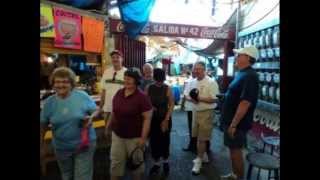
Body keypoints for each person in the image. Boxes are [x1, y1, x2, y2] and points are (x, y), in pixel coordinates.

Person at [40, 67, 100, 180]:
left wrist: (91, 117)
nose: (61, 85)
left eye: (65, 82)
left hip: (84, 144)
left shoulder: (82, 96)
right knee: (66, 175)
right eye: (57, 81)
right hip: (61, 147)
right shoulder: (49, 103)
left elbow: (96, 110)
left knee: (82, 177)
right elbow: (42, 125)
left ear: (71, 83)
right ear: (53, 83)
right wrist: (41, 145)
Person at [105, 68, 153, 180]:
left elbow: (147, 119)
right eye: (125, 78)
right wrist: (108, 126)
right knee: (115, 164)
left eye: (130, 79)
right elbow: (114, 111)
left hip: (135, 138)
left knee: (136, 166)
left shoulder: (142, 97)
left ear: (136, 80)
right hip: (118, 136)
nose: (126, 81)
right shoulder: (119, 93)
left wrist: (143, 138)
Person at [220, 46, 259, 180]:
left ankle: (239, 177)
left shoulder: (250, 76)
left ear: (248, 58)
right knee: (232, 151)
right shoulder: (242, 73)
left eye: (239, 55)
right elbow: (235, 95)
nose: (236, 57)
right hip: (230, 120)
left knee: (236, 153)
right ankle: (234, 175)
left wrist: (233, 124)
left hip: (237, 124)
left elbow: (245, 103)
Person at [188, 61, 220, 175]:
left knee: (202, 139)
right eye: (195, 68)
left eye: (199, 69)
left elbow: (215, 99)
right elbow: (187, 95)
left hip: (207, 112)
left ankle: (198, 161)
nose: (196, 71)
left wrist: (199, 98)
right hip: (195, 111)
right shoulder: (192, 82)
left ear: (204, 70)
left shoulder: (211, 82)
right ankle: (204, 155)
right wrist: (191, 99)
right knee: (197, 137)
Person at [146, 68, 175, 176]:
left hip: (164, 118)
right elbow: (146, 101)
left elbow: (172, 104)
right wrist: (150, 106)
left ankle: (166, 162)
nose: (159, 82)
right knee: (154, 141)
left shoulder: (167, 88)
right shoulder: (149, 87)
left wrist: (166, 119)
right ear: (154, 78)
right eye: (157, 80)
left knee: (165, 140)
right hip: (153, 119)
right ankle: (156, 163)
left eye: (161, 80)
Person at [99, 50, 127, 139]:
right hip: (107, 107)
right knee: (108, 132)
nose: (115, 59)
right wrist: (101, 106)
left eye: (117, 57)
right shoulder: (107, 72)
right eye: (113, 57)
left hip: (120, 109)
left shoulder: (126, 73)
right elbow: (103, 90)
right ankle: (111, 149)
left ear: (122, 59)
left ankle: (119, 149)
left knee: (119, 130)